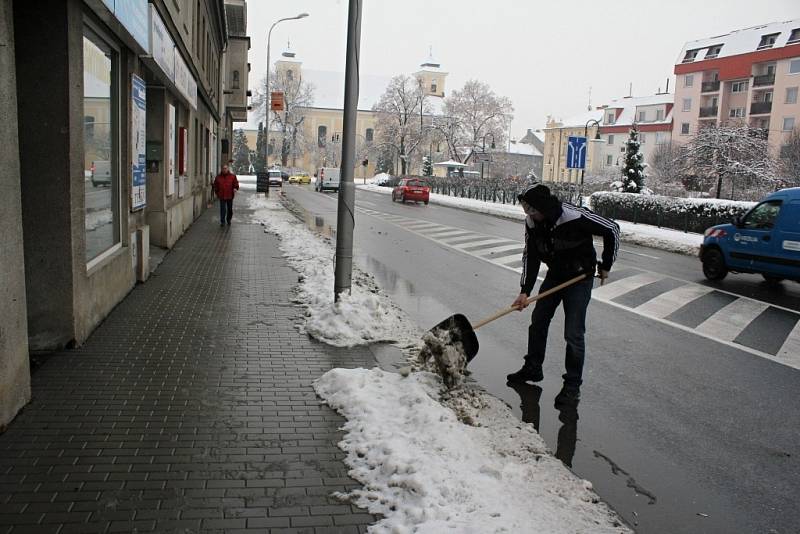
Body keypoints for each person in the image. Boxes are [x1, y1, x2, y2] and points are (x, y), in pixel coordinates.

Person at [507, 184, 619, 405]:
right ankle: (533, 368)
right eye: (526, 210)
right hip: (556, 275)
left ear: (545, 208)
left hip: (579, 279)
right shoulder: (532, 224)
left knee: (573, 333)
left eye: (532, 210)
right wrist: (524, 291)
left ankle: (572, 386)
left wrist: (606, 264)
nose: (528, 215)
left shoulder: (574, 216)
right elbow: (531, 257)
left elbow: (612, 229)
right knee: (538, 321)